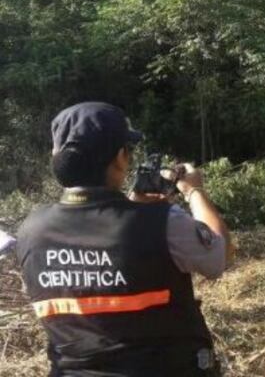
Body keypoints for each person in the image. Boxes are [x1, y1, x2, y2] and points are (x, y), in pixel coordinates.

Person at [16, 102, 233, 376]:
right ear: (121, 157)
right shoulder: (164, 222)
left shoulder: (30, 231)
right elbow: (219, 256)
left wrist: (132, 204)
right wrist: (194, 191)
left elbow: (97, 256)